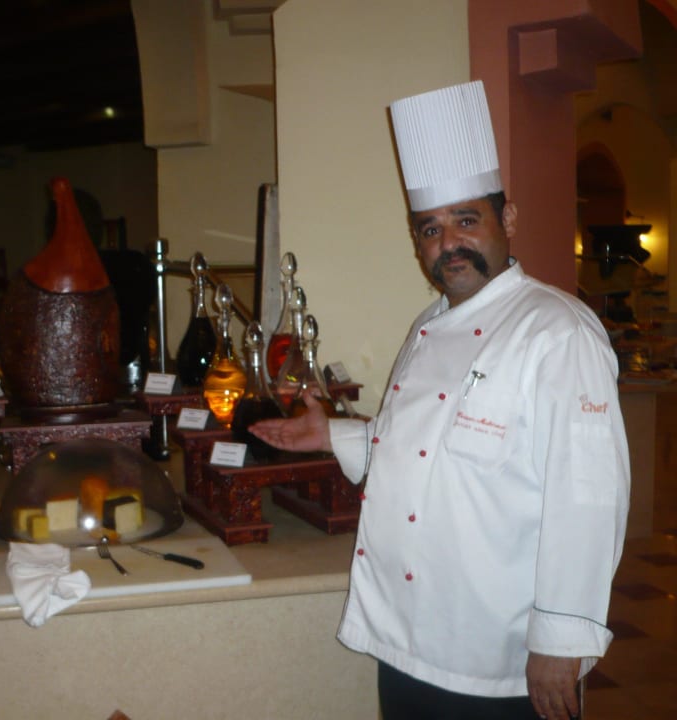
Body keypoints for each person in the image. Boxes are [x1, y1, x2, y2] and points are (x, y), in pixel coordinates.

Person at [251, 80, 630, 720]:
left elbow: (588, 496)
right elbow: (428, 446)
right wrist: (334, 433)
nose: (448, 241)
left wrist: (561, 640)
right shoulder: (427, 326)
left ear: (508, 221)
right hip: (408, 639)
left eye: (466, 220)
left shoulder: (557, 332)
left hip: (499, 656)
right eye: (430, 228)